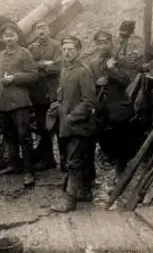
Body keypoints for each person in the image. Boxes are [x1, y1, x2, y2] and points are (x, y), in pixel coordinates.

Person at [0, 22, 38, 187]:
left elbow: (33, 75)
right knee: (9, 136)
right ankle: (13, 165)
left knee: (24, 136)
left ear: (17, 37)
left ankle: (28, 171)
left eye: (12, 35)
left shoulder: (24, 53)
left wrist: (15, 78)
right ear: (2, 39)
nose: (9, 39)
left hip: (19, 102)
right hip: (2, 102)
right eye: (6, 36)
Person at [50, 35, 97, 213]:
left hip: (79, 125)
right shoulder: (65, 70)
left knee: (74, 162)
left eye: (70, 49)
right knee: (79, 160)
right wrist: (57, 106)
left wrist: (70, 117)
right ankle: (84, 192)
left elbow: (89, 102)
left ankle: (69, 201)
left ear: (79, 51)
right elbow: (63, 94)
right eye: (64, 49)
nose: (67, 53)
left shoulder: (83, 71)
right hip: (67, 125)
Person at [90, 31, 135, 178]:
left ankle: (121, 170)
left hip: (119, 107)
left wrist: (112, 69)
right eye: (99, 43)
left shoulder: (120, 60)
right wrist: (96, 84)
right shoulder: (93, 63)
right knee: (101, 136)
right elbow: (87, 83)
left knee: (121, 139)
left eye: (105, 42)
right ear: (96, 45)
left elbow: (126, 80)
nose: (102, 46)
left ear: (111, 43)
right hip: (102, 108)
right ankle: (111, 158)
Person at [28, 19, 61, 171]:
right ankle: (49, 160)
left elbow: (57, 67)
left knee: (58, 127)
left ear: (49, 29)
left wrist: (40, 66)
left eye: (43, 27)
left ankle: (65, 160)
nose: (40, 31)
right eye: (38, 28)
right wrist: (44, 64)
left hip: (52, 93)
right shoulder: (31, 48)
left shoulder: (56, 45)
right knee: (43, 128)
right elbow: (29, 68)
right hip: (37, 94)